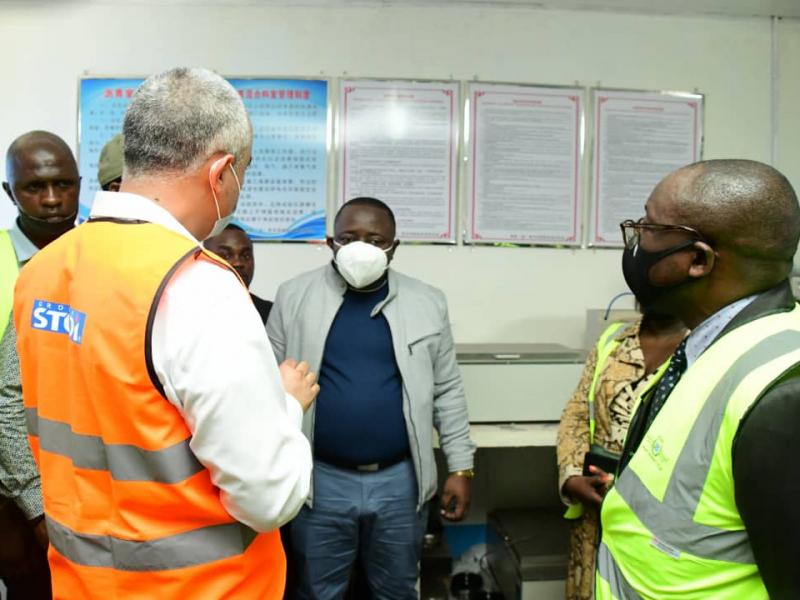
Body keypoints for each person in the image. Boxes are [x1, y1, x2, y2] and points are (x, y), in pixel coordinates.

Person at [13, 67, 316, 599]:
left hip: (83, 584)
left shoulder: (41, 271)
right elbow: (268, 498)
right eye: (243, 173)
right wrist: (286, 407)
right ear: (221, 173)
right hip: (198, 588)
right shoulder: (198, 288)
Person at [596, 159, 800, 599]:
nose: (635, 240)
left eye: (648, 227)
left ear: (697, 261)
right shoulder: (711, 343)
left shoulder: (782, 396)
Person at [267, 197, 475, 600]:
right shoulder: (293, 297)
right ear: (330, 243)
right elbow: (268, 388)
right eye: (349, 238)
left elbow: (448, 389)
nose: (361, 248)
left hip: (399, 481)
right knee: (317, 591)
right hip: (319, 480)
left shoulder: (427, 302)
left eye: (375, 239)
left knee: (396, 590)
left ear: (393, 247)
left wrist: (461, 468)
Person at [557, 310, 686, 600]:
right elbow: (577, 413)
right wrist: (572, 475)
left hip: (657, 525)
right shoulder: (613, 341)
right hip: (594, 515)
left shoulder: (706, 348)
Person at [0, 130, 80, 599]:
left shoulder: (99, 253)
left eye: (64, 184)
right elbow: (7, 395)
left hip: (83, 464)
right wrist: (32, 501)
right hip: (9, 479)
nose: (52, 199)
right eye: (34, 187)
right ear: (10, 192)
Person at [205, 223, 272, 324]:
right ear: (205, 261)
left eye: (246, 256)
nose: (238, 263)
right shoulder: (188, 310)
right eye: (226, 256)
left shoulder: (270, 313)